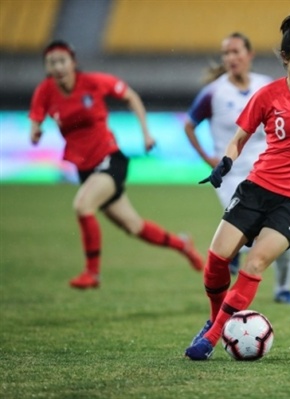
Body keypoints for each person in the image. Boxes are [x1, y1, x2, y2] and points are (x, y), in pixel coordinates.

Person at [184, 14, 290, 361]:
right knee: (216, 262)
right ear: (286, 57)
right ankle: (216, 318)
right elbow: (239, 137)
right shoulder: (267, 95)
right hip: (258, 187)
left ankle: (211, 338)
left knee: (255, 263)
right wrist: (226, 163)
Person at [29, 40, 204, 289]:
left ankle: (92, 273)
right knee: (134, 226)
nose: (58, 66)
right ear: (47, 66)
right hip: (85, 169)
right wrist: (35, 132)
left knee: (82, 205)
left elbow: (130, 96)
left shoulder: (94, 82)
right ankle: (183, 245)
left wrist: (146, 133)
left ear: (73, 62)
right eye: (52, 62)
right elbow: (35, 119)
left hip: (109, 159)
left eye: (62, 60)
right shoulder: (45, 91)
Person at [184, 32, 290, 305]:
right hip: (231, 175)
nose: (230, 58)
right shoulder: (213, 92)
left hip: (268, 171)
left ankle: (283, 289)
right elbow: (189, 125)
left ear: (249, 55)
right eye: (226, 53)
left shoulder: (267, 86)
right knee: (255, 233)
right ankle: (232, 267)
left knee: (282, 233)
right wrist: (207, 158)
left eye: (236, 52)